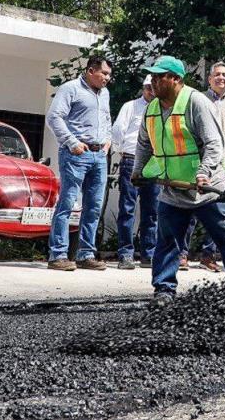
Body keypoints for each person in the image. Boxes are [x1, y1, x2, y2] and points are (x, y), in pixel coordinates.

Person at [132, 55, 225, 304]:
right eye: (152, 77)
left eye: (159, 76)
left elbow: (214, 143)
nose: (153, 81)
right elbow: (144, 143)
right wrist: (138, 170)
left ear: (175, 79)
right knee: (167, 241)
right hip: (173, 188)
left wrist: (204, 172)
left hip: (208, 189)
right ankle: (164, 290)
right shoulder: (152, 109)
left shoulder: (195, 102)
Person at [179, 61, 225, 272]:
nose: (221, 78)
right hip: (199, 162)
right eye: (217, 74)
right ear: (209, 79)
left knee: (222, 211)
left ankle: (208, 255)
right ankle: (182, 255)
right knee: (191, 208)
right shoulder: (197, 100)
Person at [45, 55, 113, 271]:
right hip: (75, 154)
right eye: (104, 73)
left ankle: (86, 254)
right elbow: (54, 117)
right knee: (67, 203)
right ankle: (58, 255)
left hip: (98, 155)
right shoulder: (70, 88)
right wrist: (72, 142)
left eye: (109, 74)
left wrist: (107, 141)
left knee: (93, 206)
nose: (107, 78)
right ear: (91, 70)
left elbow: (107, 120)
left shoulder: (105, 93)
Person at [111, 75, 160, 269]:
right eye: (148, 87)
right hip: (132, 159)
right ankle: (125, 254)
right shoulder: (130, 106)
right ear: (143, 88)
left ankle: (149, 254)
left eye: (154, 87)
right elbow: (117, 130)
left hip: (155, 162)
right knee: (128, 208)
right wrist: (120, 150)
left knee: (152, 211)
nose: (151, 91)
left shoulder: (163, 108)